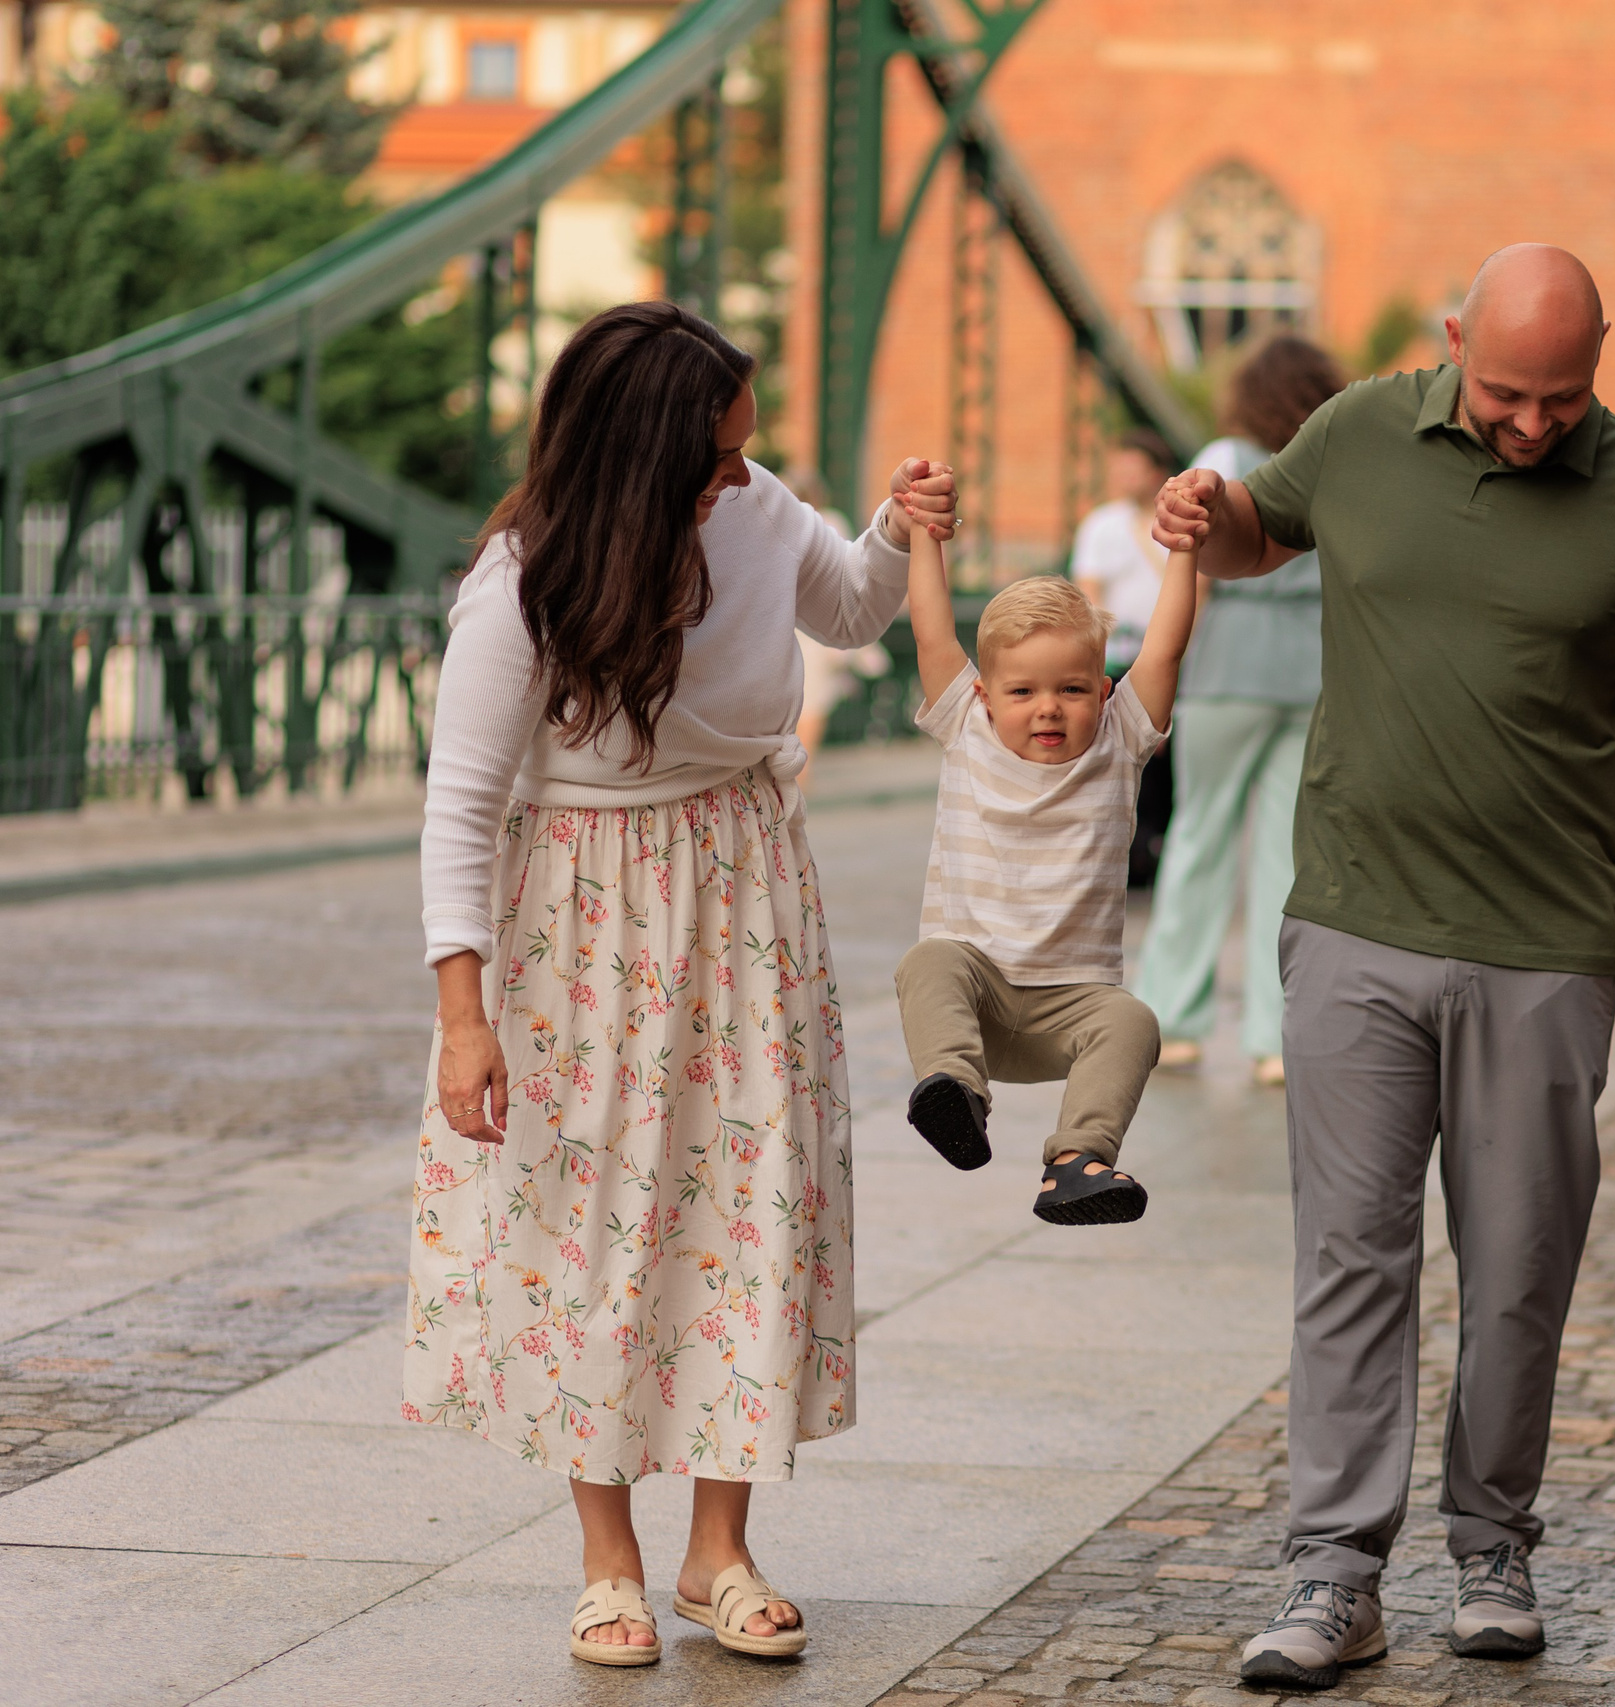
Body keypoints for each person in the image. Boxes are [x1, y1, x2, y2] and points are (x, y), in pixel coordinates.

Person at [1152, 244, 1615, 1686]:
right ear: (1451, 342)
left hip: (1545, 946)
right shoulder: (1358, 431)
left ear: (1600, 361)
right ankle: (1334, 1571)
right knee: (1350, 1254)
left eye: (1564, 396)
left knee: (1519, 1261)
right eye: (1505, 392)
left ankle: (1493, 1540)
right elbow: (1256, 540)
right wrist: (1206, 507)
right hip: (1356, 919)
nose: (1534, 423)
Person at [402, 301, 956, 1667]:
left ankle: (722, 1549)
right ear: (646, 456)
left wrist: (895, 525)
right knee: (589, 1225)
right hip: (582, 913)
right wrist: (462, 1014)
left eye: (741, 451)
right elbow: (460, 804)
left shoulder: (758, 509)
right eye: (714, 455)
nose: (738, 472)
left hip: (746, 884)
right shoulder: (523, 578)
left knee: (753, 1209)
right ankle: (608, 1560)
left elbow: (849, 605)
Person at [894, 507, 1200, 1224]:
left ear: (1102, 690)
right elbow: (931, 630)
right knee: (929, 962)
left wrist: (1185, 550)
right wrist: (923, 535)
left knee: (1133, 1020)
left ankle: (1076, 1162)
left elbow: (1163, 651)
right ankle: (955, 1092)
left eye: (1070, 688)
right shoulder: (965, 729)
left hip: (1072, 1008)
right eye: (1023, 691)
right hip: (979, 999)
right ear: (982, 695)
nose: (1047, 709)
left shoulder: (1121, 740)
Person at [1134, 336, 1346, 1088]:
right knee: (1289, 861)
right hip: (1314, 671)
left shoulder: (1223, 457)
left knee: (1199, 835)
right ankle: (1274, 1036)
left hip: (1227, 670)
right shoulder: (1336, 458)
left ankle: (1169, 1017)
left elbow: (1192, 578)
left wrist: (1154, 678)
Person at [1072, 429, 1183, 885]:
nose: (1123, 475)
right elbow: (1089, 593)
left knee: (1164, 766)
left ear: (1157, 472)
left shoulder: (1175, 523)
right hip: (1117, 662)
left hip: (1169, 658)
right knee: (1117, 756)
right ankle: (1122, 856)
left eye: (1132, 466)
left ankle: (1154, 852)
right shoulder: (1101, 524)